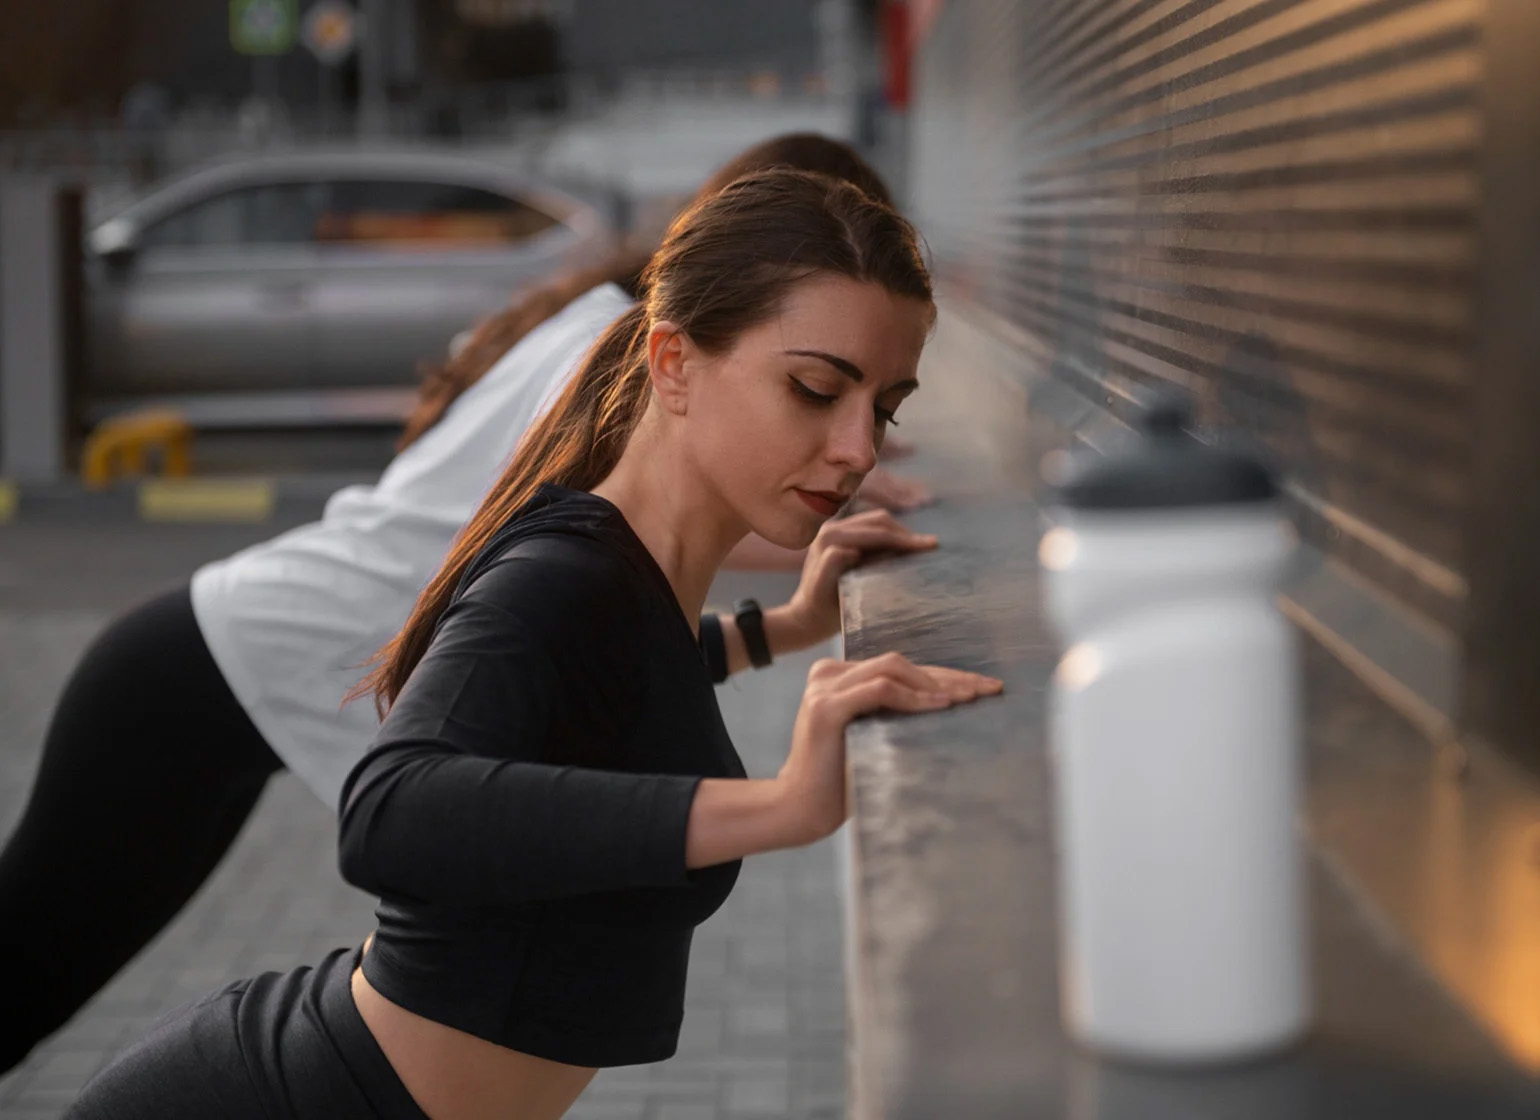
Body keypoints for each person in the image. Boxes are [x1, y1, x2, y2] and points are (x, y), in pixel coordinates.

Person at [63, 164, 1001, 1120]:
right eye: (814, 389)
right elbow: (391, 809)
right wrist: (779, 806)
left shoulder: (634, 577)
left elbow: (606, 690)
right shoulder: (565, 573)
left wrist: (785, 627)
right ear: (672, 363)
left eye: (883, 407)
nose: (858, 449)